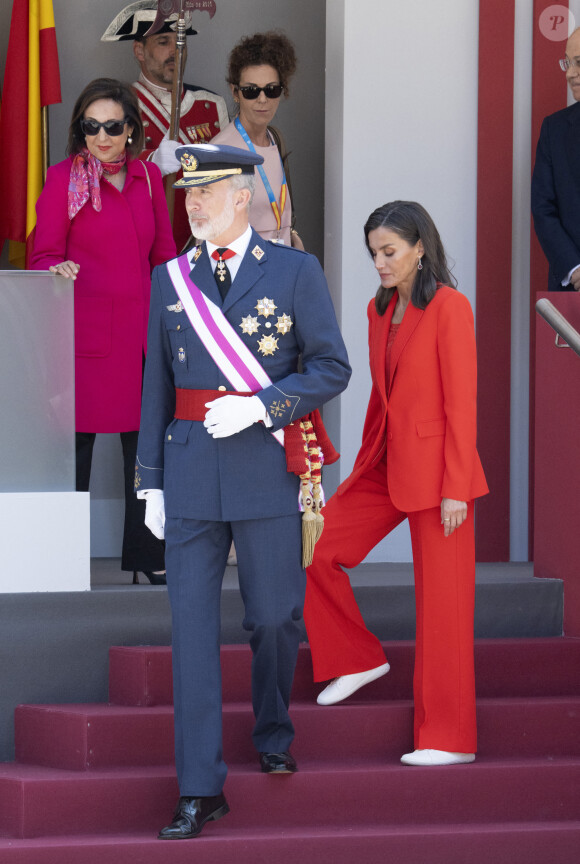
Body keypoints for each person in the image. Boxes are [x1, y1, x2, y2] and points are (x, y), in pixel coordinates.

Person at [135, 142, 351, 839]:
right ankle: (200, 788)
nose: (193, 203)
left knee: (276, 617)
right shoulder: (170, 278)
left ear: (242, 197)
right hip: (192, 468)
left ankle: (272, 723)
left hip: (265, 465)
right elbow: (155, 389)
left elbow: (330, 367)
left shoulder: (293, 271)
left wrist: (264, 405)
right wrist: (150, 483)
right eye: (188, 192)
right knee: (191, 636)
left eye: (208, 191)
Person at [303, 201, 489, 767]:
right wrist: (362, 462)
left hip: (441, 479)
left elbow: (462, 404)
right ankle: (356, 657)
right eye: (374, 253)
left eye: (389, 252)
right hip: (384, 463)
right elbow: (384, 397)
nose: (379, 263)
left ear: (419, 249)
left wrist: (457, 486)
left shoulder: (451, 308)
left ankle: (448, 738)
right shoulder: (378, 310)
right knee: (314, 546)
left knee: (445, 609)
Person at [31, 78, 176, 585]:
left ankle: (146, 556)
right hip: (86, 337)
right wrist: (58, 268)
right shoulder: (62, 179)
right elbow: (43, 253)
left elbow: (164, 257)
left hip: (141, 335)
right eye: (91, 127)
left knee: (146, 449)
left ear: (131, 129)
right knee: (77, 450)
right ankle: (57, 560)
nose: (101, 136)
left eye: (112, 126)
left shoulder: (149, 179)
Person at [101, 1, 229, 251]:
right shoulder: (118, 108)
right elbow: (103, 182)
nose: (175, 50)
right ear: (139, 50)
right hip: (141, 251)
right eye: (163, 42)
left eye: (180, 41)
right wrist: (151, 165)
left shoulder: (211, 105)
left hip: (203, 251)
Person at [212, 31, 303, 249]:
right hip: (245, 273)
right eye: (251, 91)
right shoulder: (220, 151)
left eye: (272, 90)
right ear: (235, 92)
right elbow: (211, 236)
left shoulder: (275, 139)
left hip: (282, 267)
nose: (262, 99)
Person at [532, 27, 580, 291]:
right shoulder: (554, 129)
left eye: (579, 62)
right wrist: (574, 268)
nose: (570, 72)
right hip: (572, 292)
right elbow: (543, 209)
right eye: (567, 62)